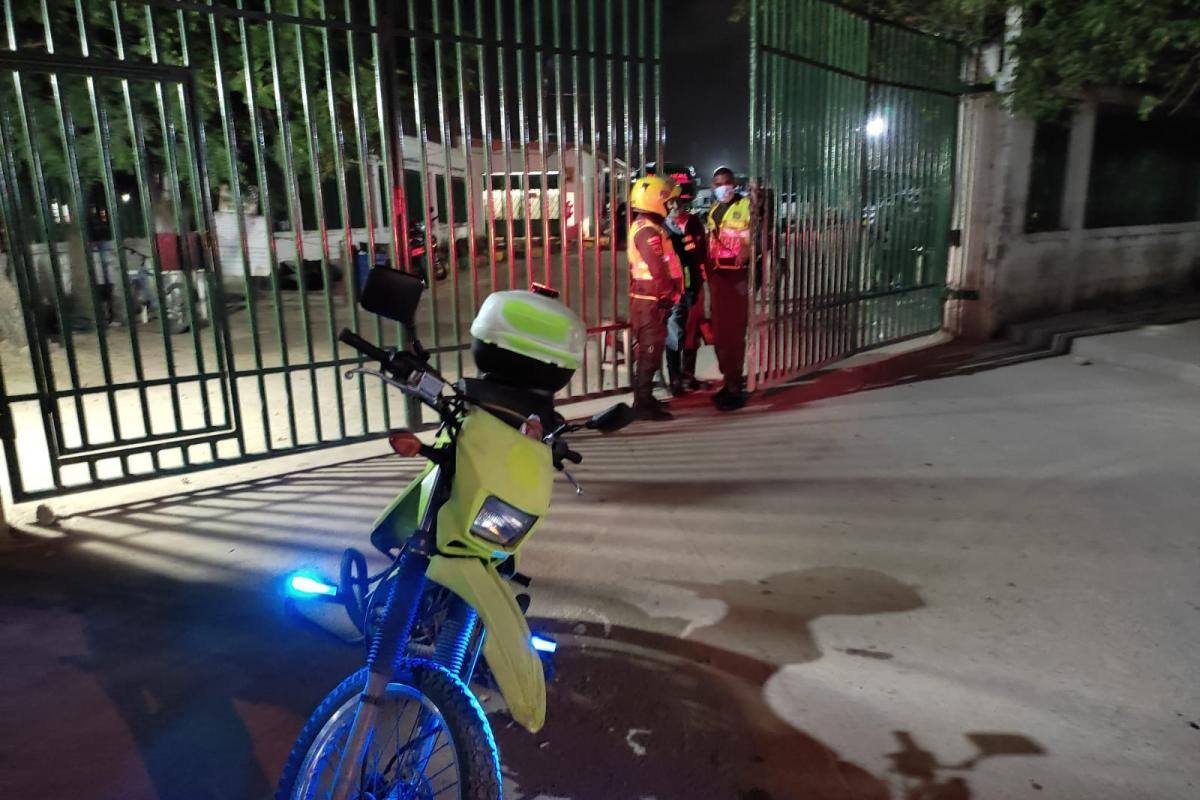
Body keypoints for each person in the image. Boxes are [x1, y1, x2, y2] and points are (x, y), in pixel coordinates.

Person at [626, 174, 683, 421]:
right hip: (650, 300)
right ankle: (642, 404)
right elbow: (658, 268)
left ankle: (646, 398)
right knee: (649, 352)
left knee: (652, 350)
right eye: (668, 201)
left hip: (650, 299)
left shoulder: (648, 226)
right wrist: (669, 294)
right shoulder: (647, 231)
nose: (671, 206)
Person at [706, 166, 753, 411]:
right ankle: (728, 380)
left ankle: (736, 386)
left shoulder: (746, 206)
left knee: (734, 334)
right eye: (717, 183)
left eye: (726, 182)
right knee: (720, 333)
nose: (722, 187)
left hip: (737, 278)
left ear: (734, 183)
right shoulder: (714, 210)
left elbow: (756, 236)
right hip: (718, 278)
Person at [663, 182, 708, 395]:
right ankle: (675, 380)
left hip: (694, 285)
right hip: (673, 288)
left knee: (692, 331)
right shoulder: (661, 227)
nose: (674, 206)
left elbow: (702, 250)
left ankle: (688, 375)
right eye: (669, 202)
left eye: (677, 201)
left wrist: (692, 244)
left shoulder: (693, 222)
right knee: (674, 332)